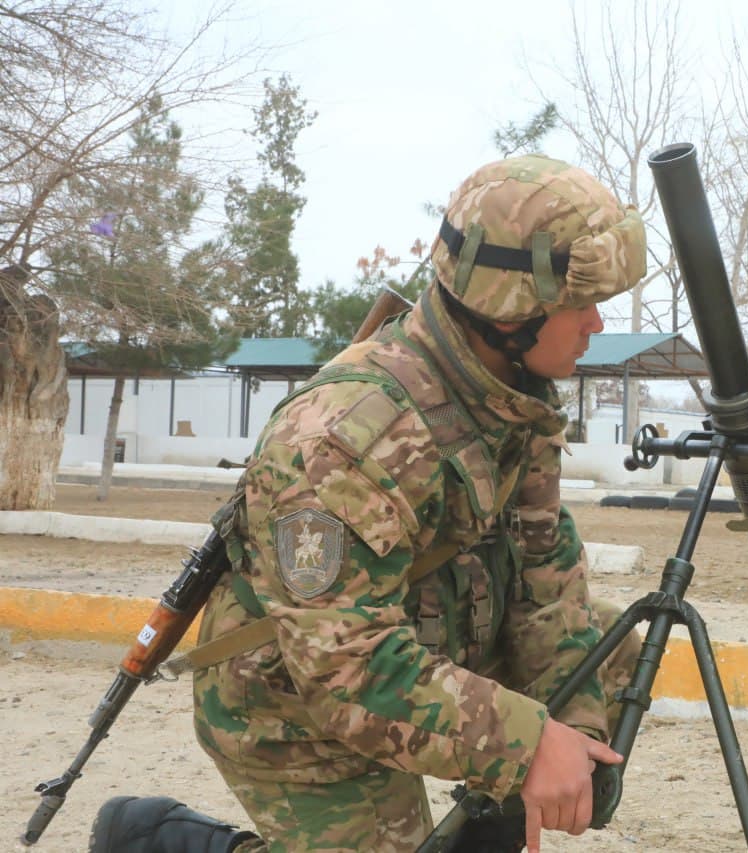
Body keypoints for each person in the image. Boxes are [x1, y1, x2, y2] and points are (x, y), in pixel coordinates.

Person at [89, 153, 648, 853]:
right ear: (511, 306)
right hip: (296, 701)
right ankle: (160, 839)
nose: (596, 321)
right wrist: (526, 744)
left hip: (424, 639)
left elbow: (545, 575)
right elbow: (345, 668)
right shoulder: (345, 438)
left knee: (614, 647)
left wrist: (576, 731)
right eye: (580, 301)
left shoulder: (509, 396)